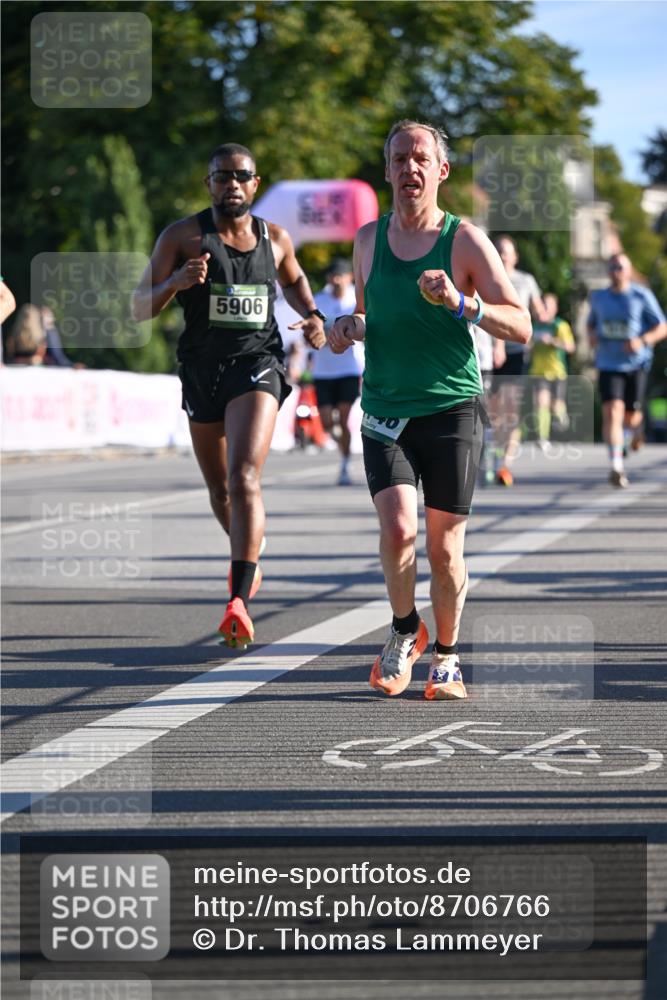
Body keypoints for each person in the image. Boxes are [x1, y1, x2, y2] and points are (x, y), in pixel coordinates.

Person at [329, 120, 531, 701]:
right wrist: (347, 328)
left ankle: (446, 654)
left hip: (451, 410)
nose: (408, 169)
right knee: (397, 530)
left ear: (441, 171)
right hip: (385, 408)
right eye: (398, 159)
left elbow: (521, 324)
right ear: (388, 169)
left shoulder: (464, 240)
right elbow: (374, 319)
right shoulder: (367, 240)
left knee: (444, 550)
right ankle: (402, 631)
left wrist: (461, 302)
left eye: (420, 158)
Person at [132, 142, 326, 647]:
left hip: (257, 365)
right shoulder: (182, 236)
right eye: (222, 176)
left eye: (241, 176)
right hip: (201, 370)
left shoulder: (276, 238)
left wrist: (313, 318)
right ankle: (248, 555)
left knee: (245, 478)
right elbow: (139, 307)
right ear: (210, 183)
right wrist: (175, 281)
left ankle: (238, 598)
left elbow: (296, 281)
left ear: (255, 184)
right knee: (220, 490)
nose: (232, 184)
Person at [587, 252, 666, 487]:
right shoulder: (599, 297)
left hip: (635, 364)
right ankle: (616, 467)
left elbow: (662, 326)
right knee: (612, 412)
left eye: (620, 267)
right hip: (608, 364)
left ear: (629, 271)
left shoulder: (641, 295)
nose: (616, 272)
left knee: (631, 417)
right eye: (612, 267)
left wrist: (641, 341)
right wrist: (591, 335)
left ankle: (636, 430)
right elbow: (591, 323)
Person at [490, 235, 546, 485]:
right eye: (499, 251)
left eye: (507, 252)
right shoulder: (488, 276)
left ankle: (504, 464)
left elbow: (538, 310)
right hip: (490, 350)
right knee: (494, 412)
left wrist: (546, 314)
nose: (503, 256)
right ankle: (494, 455)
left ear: (515, 256)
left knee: (511, 408)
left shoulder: (526, 280)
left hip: (517, 351)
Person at [312, 257, 364, 484]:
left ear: (349, 277)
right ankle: (338, 442)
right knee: (326, 424)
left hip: (349, 368)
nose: (335, 280)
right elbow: (308, 333)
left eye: (340, 276)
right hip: (323, 370)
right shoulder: (318, 300)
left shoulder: (356, 298)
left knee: (343, 417)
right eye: (332, 276)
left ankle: (344, 465)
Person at [528, 293, 575, 451]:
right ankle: (542, 438)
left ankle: (562, 417)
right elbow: (526, 346)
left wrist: (553, 341)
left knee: (556, 406)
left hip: (557, 372)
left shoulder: (559, 325)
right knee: (541, 403)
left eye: (548, 306)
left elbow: (570, 347)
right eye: (543, 305)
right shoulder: (533, 325)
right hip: (538, 372)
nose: (544, 309)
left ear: (555, 309)